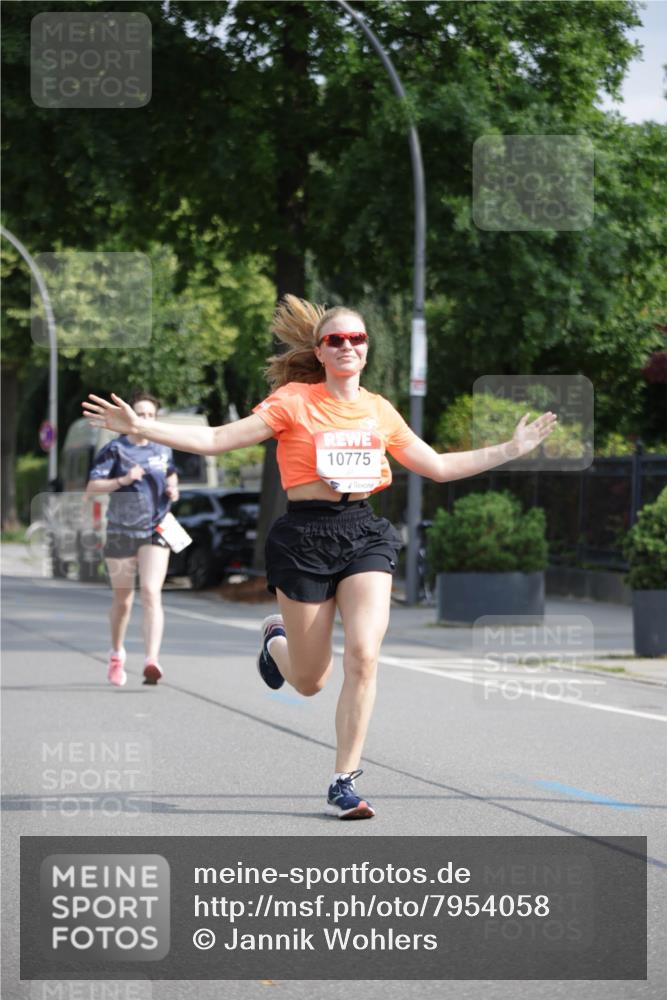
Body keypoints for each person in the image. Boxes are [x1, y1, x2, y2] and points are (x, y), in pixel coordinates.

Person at [83, 296, 557, 816]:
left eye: (357, 339)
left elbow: (438, 466)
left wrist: (510, 449)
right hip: (304, 538)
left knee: (364, 654)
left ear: (367, 349)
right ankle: (276, 641)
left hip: (363, 533)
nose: (348, 346)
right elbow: (217, 438)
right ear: (320, 350)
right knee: (310, 681)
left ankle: (343, 780)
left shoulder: (380, 410)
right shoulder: (293, 401)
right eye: (337, 339)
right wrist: (141, 428)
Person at [85, 391, 179, 688]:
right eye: (141, 413)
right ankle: (116, 654)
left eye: (151, 415)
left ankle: (152, 660)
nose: (146, 419)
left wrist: (174, 489)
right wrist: (124, 480)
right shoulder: (115, 449)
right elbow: (92, 487)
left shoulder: (163, 447)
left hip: (156, 527)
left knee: (151, 592)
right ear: (130, 415)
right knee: (123, 600)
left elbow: (171, 474)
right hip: (121, 531)